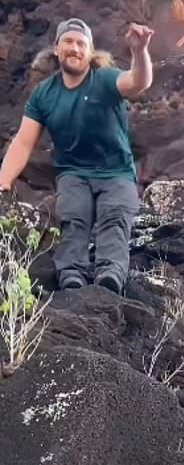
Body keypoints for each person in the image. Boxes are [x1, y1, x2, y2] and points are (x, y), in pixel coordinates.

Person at [0, 18, 154, 294]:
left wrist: (139, 51)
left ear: (90, 51)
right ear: (56, 49)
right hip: (73, 173)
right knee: (73, 218)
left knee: (114, 217)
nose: (75, 48)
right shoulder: (44, 94)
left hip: (116, 173)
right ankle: (71, 276)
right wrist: (3, 182)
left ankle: (110, 275)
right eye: (68, 42)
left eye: (81, 43)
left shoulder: (105, 79)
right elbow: (23, 143)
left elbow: (138, 82)